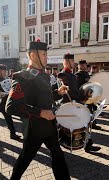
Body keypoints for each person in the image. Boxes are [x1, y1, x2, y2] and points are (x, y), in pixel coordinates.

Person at [5, 40, 70, 180]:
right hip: (34, 129)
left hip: (49, 126)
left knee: (58, 156)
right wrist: (40, 112)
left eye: (47, 54)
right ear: (33, 55)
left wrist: (58, 92)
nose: (47, 57)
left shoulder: (44, 76)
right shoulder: (22, 77)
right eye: (44, 54)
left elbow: (45, 98)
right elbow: (11, 106)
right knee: (24, 159)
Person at [53, 53, 101, 153]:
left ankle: (88, 145)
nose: (74, 63)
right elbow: (69, 92)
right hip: (68, 105)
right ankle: (57, 147)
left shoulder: (71, 74)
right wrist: (82, 97)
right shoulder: (63, 75)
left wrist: (85, 95)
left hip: (74, 104)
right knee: (66, 127)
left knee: (84, 124)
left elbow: (76, 90)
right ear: (66, 62)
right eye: (71, 61)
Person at [75, 59, 101, 130]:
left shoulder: (86, 74)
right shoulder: (78, 75)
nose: (84, 66)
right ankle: (83, 126)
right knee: (84, 113)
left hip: (88, 97)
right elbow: (78, 87)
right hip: (82, 97)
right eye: (82, 65)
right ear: (79, 66)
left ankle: (92, 124)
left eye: (85, 64)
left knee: (90, 111)